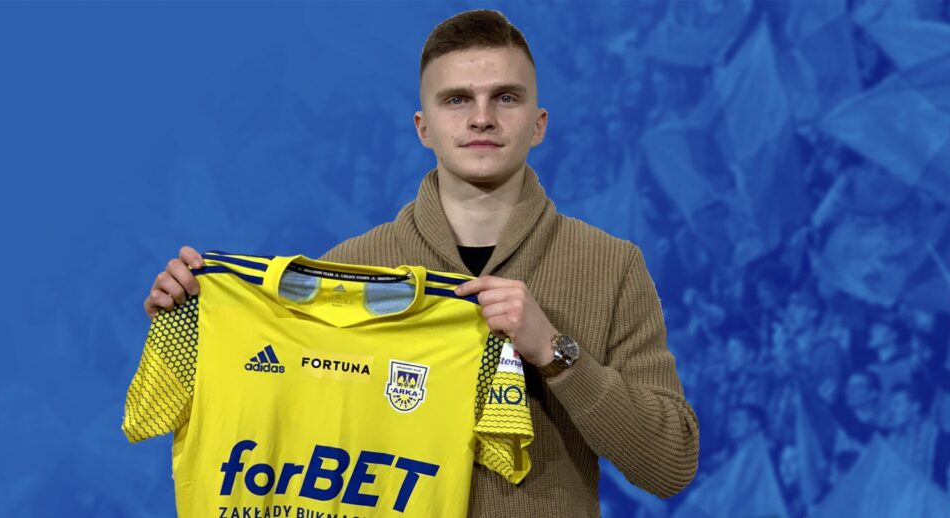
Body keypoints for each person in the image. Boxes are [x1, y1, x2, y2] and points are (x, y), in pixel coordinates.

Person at [142, 9, 699, 517]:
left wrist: (555, 352)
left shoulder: (612, 266)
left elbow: (669, 466)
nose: (482, 118)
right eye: (457, 99)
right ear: (422, 126)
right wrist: (196, 321)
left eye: (506, 97)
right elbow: (280, 420)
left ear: (539, 123)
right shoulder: (349, 269)